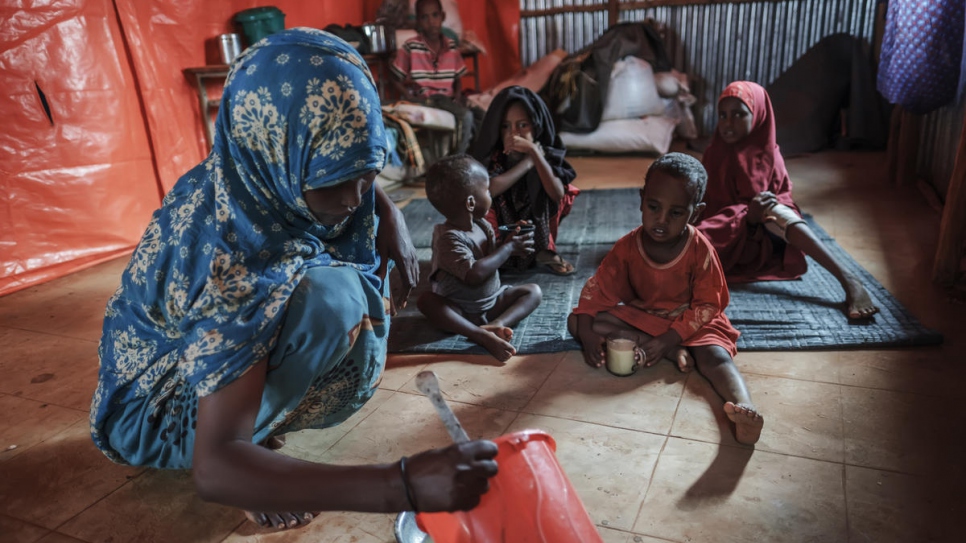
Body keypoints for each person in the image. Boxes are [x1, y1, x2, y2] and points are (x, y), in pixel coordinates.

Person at [89, 29, 497, 531]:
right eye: (333, 180)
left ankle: (251, 429)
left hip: (206, 357)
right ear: (275, 148)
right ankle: (250, 455)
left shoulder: (260, 174)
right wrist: (403, 483)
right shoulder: (224, 250)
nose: (355, 199)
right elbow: (214, 470)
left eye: (367, 173)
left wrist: (386, 210)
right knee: (331, 301)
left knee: (336, 297)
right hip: (153, 411)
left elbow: (348, 170)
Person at [567, 153, 764, 445]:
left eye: (676, 213)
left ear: (695, 213)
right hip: (648, 318)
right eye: (653, 207)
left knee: (715, 357)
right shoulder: (628, 246)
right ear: (641, 199)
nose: (661, 220)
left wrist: (672, 337)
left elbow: (708, 304)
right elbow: (599, 289)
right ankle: (670, 353)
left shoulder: (700, 249)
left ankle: (744, 407)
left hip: (694, 321)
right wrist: (585, 333)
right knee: (578, 320)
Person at [698, 81, 879, 320]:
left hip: (769, 233)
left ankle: (849, 280)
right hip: (728, 234)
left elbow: (783, 196)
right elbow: (710, 207)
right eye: (723, 115)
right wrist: (745, 217)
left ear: (759, 115)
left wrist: (757, 214)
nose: (728, 124)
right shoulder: (714, 153)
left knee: (777, 210)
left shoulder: (770, 152)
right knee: (687, 243)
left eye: (739, 115)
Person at [417, 155, 543, 361]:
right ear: (470, 202)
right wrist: (508, 247)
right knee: (427, 302)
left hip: (492, 302)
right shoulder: (447, 239)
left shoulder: (482, 225)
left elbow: (492, 259)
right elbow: (474, 275)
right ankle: (480, 335)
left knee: (533, 291)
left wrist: (511, 243)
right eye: (487, 190)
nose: (490, 194)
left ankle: (497, 324)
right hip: (459, 310)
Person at [470, 85, 581, 275]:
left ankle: (544, 250)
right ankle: (497, 252)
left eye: (523, 125)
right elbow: (490, 189)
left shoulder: (543, 153)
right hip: (503, 228)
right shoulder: (494, 156)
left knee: (563, 187)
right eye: (506, 126)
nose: (514, 133)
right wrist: (527, 163)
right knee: (478, 199)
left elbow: (557, 193)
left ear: (536, 126)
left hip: (533, 228)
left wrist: (535, 155)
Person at [389, 0, 475, 154]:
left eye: (435, 15)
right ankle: (456, 161)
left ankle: (476, 160)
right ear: (418, 21)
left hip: (446, 99)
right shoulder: (411, 46)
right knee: (466, 117)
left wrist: (457, 95)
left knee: (479, 115)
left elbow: (457, 78)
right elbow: (394, 77)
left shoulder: (451, 46)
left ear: (442, 16)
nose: (431, 22)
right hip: (425, 99)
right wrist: (408, 94)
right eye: (424, 17)